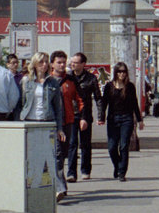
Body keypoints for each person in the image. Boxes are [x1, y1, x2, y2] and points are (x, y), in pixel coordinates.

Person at [17, 52, 67, 199]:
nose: (44, 65)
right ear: (35, 64)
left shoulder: (53, 82)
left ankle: (59, 189)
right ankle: (34, 189)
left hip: (47, 122)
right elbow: (20, 104)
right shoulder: (26, 81)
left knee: (51, 156)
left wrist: (59, 128)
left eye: (46, 62)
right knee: (32, 158)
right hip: (29, 122)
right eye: (41, 62)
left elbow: (58, 107)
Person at [97, 61, 144, 181]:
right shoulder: (109, 86)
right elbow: (104, 103)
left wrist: (140, 120)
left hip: (127, 119)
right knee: (112, 147)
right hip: (113, 119)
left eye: (124, 72)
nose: (122, 74)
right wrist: (101, 117)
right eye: (119, 72)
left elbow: (134, 104)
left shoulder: (130, 87)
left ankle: (122, 173)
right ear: (115, 73)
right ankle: (117, 166)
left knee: (123, 146)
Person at [49, 50, 83, 196]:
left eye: (64, 62)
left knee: (61, 155)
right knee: (56, 155)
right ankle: (60, 187)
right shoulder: (47, 80)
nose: (62, 65)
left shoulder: (70, 80)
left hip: (67, 122)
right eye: (59, 62)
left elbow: (80, 99)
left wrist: (80, 115)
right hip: (51, 123)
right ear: (52, 64)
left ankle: (60, 185)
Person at [64, 52, 100, 181]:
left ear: (83, 64)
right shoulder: (67, 78)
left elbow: (97, 98)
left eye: (76, 62)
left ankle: (85, 170)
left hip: (85, 115)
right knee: (72, 143)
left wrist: (100, 116)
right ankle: (71, 173)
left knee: (85, 144)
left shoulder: (91, 78)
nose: (72, 64)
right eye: (72, 62)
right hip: (71, 115)